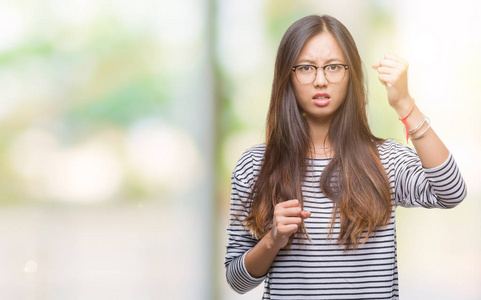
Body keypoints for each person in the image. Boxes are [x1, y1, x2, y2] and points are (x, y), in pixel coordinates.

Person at [224, 15, 467, 299]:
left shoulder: (385, 159)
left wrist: (405, 104)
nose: (320, 80)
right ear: (287, 76)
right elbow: (237, 282)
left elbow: (451, 192)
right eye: (305, 68)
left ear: (351, 74)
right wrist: (272, 240)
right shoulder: (255, 165)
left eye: (334, 67)